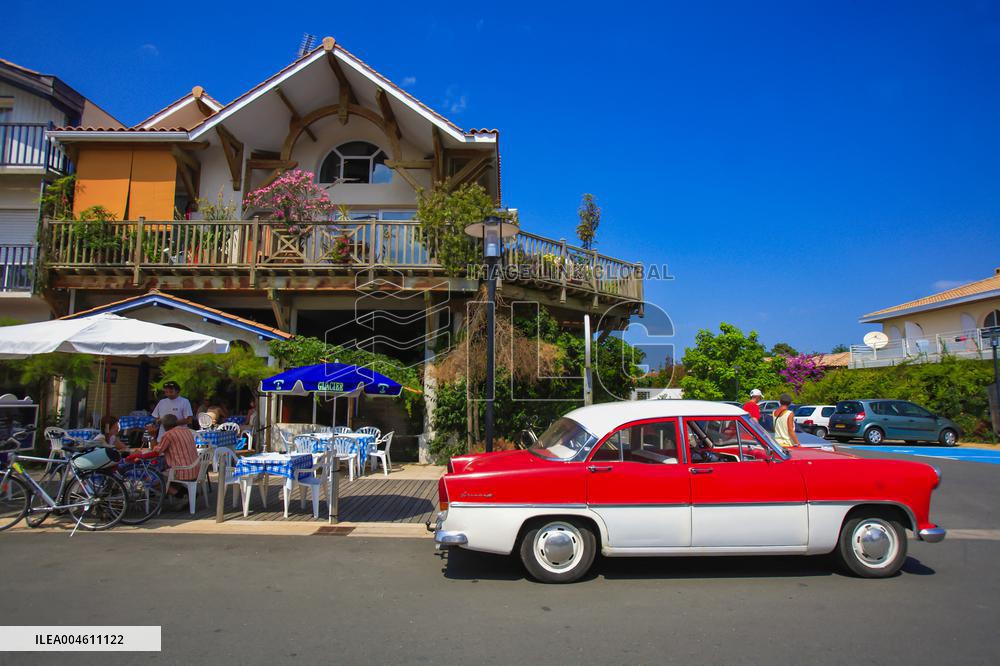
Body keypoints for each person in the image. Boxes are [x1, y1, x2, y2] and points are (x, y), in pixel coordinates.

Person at [151, 413, 200, 508]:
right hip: (196, 468)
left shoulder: (168, 434)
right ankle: (187, 493)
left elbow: (156, 452)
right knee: (165, 474)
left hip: (182, 470)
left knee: (153, 480)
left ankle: (181, 496)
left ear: (164, 426)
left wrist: (153, 436)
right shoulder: (186, 431)